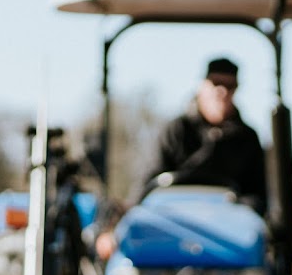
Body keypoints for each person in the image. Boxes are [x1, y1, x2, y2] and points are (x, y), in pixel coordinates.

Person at [96, 57, 268, 259]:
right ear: (202, 86)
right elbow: (146, 184)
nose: (222, 92)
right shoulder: (176, 131)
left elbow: (258, 197)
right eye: (216, 84)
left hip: (228, 235)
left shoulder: (246, 139)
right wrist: (114, 227)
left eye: (229, 86)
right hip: (170, 228)